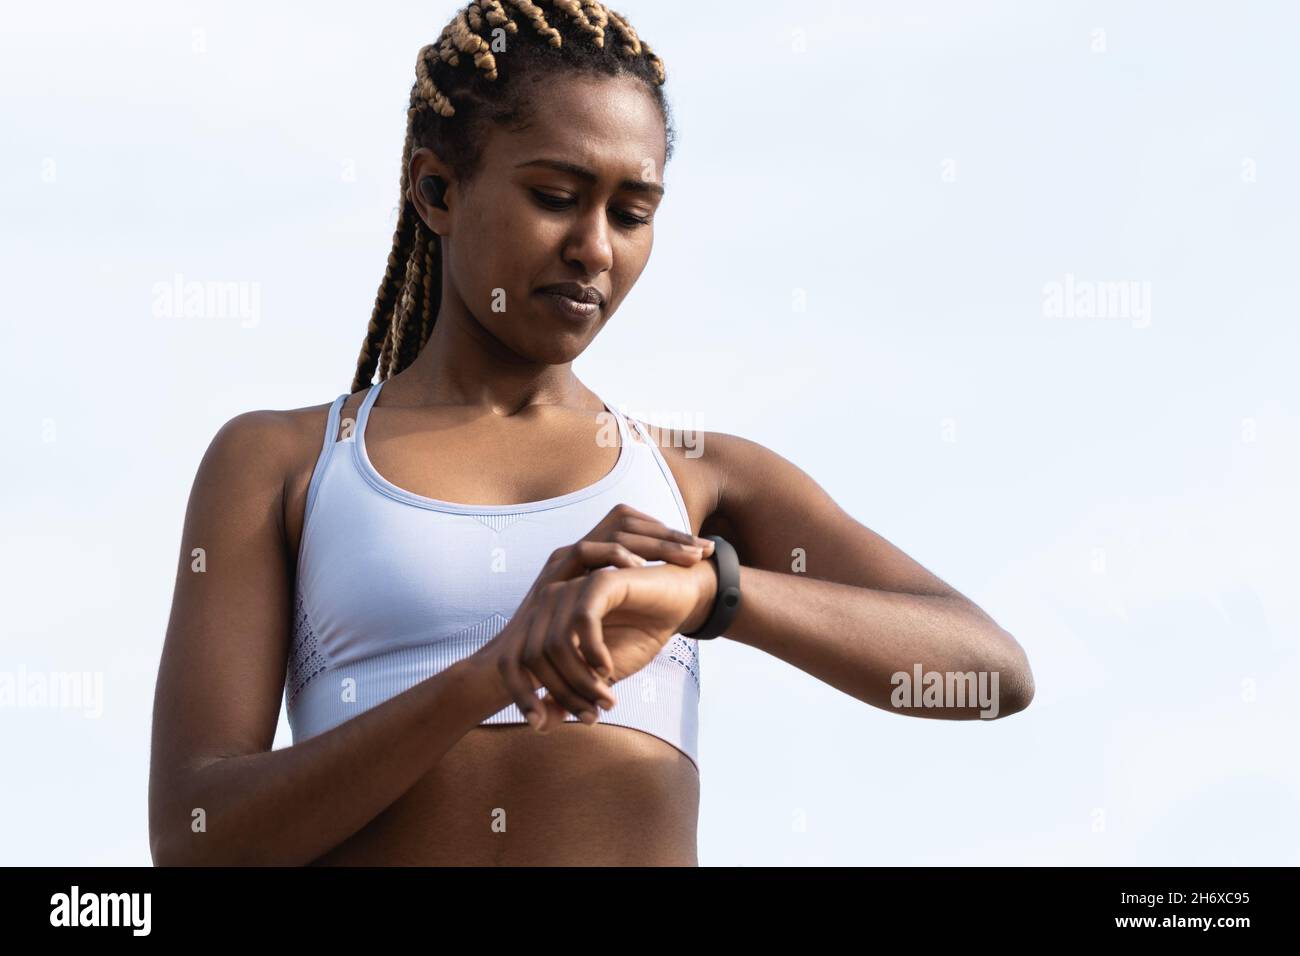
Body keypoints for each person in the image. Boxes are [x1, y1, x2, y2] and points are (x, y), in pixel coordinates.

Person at [148, 0, 1034, 867]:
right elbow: (194, 837)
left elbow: (993, 671)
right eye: (557, 196)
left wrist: (707, 595)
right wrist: (493, 673)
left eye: (631, 212)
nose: (595, 248)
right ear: (436, 190)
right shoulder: (287, 464)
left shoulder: (693, 478)